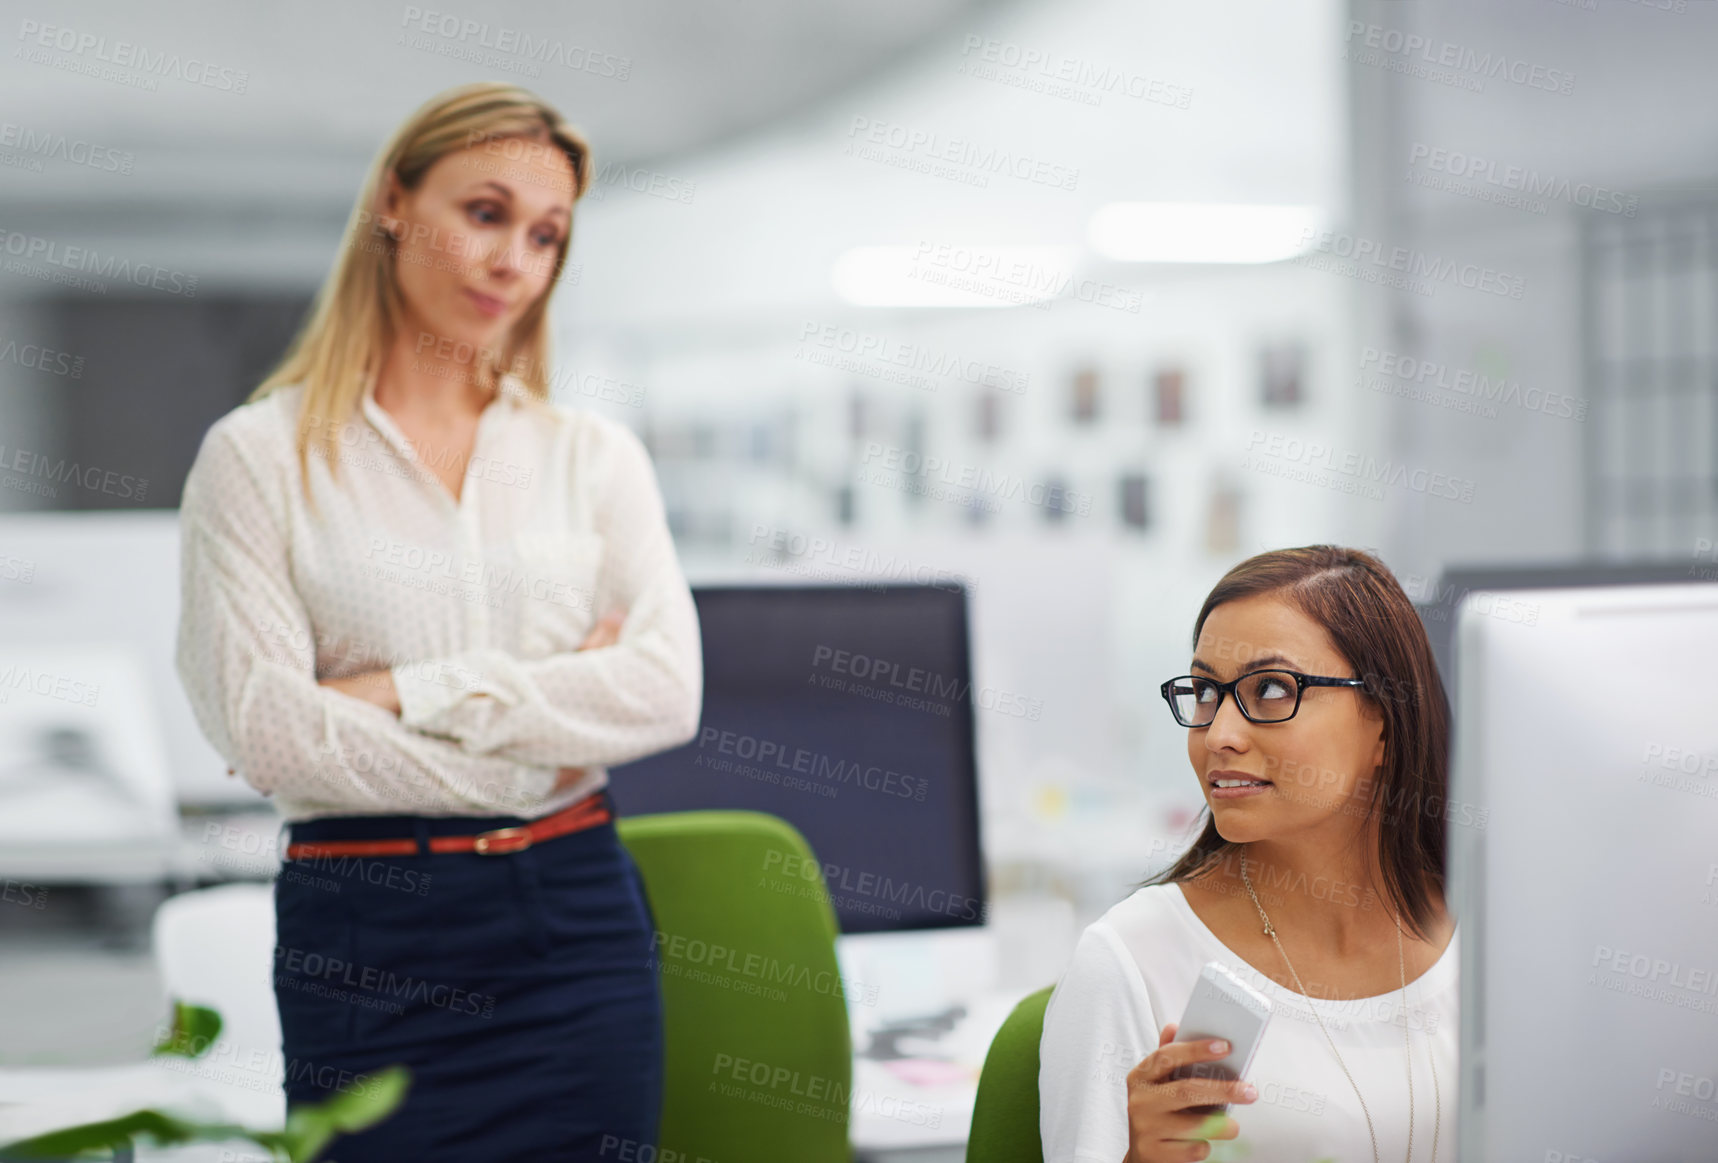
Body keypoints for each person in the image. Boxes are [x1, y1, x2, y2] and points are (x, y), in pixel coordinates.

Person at [174, 81, 702, 1160]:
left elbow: (662, 690)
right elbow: (269, 731)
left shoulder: (591, 459)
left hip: (577, 922)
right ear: (393, 202)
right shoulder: (258, 457)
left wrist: (402, 692)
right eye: (486, 212)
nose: (515, 259)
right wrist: (543, 731)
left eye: (546, 234)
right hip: (370, 926)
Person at [1040, 546, 1458, 1163]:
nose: (1220, 735)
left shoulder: (1484, 937)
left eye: (1269, 689)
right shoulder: (1132, 961)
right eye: (1207, 692)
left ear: (1385, 725)